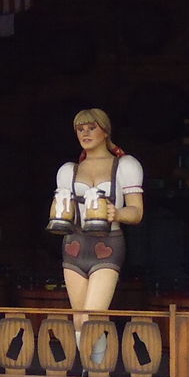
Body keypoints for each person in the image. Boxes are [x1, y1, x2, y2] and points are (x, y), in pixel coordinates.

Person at [51, 108, 145, 331]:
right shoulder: (68, 171)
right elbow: (60, 209)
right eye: (80, 129)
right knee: (78, 319)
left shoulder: (124, 165)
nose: (85, 133)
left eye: (91, 128)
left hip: (107, 243)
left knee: (91, 318)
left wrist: (118, 213)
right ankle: (92, 355)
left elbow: (137, 211)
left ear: (105, 131)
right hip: (75, 243)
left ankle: (95, 355)